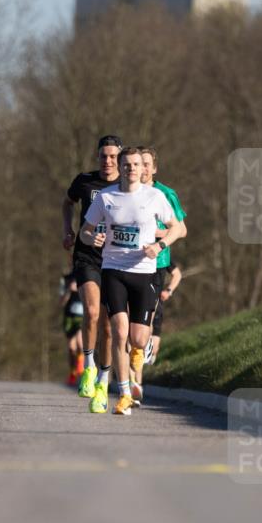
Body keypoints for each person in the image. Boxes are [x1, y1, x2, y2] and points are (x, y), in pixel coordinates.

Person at [79, 146, 184, 415]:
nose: (131, 169)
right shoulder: (105, 197)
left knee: (137, 339)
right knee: (118, 332)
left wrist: (160, 247)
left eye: (136, 165)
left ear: (142, 168)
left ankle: (142, 348)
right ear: (121, 168)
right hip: (113, 270)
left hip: (145, 272)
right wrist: (93, 239)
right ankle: (124, 393)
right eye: (126, 165)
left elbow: (178, 228)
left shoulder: (155, 196)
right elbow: (85, 232)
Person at [62, 135, 122, 400]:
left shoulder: (127, 184)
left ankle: (104, 376)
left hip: (116, 258)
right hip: (87, 255)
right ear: (97, 157)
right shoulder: (84, 181)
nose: (107, 161)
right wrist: (68, 229)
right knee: (92, 310)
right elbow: (67, 203)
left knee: (110, 326)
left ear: (120, 158)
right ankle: (88, 365)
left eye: (112, 156)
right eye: (103, 156)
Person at [130, 146, 187, 401]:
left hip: (156, 263)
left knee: (142, 327)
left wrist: (156, 236)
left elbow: (181, 229)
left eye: (147, 164)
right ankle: (130, 383)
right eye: (138, 163)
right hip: (126, 261)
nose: (142, 168)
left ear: (154, 168)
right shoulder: (126, 191)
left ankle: (136, 382)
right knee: (126, 324)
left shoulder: (166, 194)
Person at [147, 259, 183, 366]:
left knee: (153, 348)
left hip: (156, 303)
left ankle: (148, 367)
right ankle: (132, 378)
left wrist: (169, 290)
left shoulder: (162, 255)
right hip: (138, 300)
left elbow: (177, 274)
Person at [59, 272, 84, 385]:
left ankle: (81, 367)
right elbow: (61, 302)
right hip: (69, 316)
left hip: (83, 316)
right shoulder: (65, 279)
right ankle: (73, 372)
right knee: (71, 347)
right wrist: (69, 290)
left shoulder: (87, 274)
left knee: (80, 343)